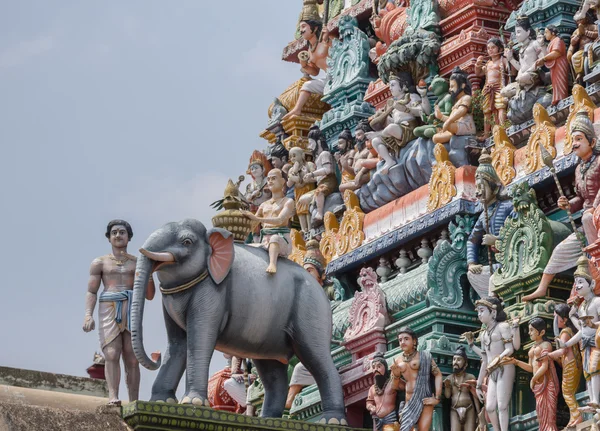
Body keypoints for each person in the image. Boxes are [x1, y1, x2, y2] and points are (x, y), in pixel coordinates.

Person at [523, 110, 600, 301]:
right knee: (561, 249)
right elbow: (581, 198)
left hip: (598, 215)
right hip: (587, 220)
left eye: (579, 139)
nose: (575, 143)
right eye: (573, 139)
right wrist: (568, 205)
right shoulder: (578, 169)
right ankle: (542, 288)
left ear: (591, 142)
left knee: (588, 217)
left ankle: (596, 262)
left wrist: (593, 207)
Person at [83, 220, 155, 405]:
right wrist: (88, 315)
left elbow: (150, 295)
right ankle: (113, 396)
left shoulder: (138, 263)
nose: (117, 235)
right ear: (108, 237)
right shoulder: (100, 263)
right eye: (114, 232)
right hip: (109, 307)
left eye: (122, 232)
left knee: (132, 356)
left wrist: (148, 273)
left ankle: (133, 400)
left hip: (132, 307)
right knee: (112, 353)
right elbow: (92, 291)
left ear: (128, 237)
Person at [464, 297, 518, 431]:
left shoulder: (503, 327)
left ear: (493, 312)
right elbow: (484, 358)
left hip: (504, 367)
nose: (479, 314)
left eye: (482, 311)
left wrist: (498, 359)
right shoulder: (483, 334)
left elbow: (510, 349)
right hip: (492, 370)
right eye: (478, 312)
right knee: (489, 407)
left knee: (502, 405)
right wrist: (478, 384)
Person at [466, 152, 514, 299]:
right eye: (476, 187)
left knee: (494, 279)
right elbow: (472, 240)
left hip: (515, 260)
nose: (478, 192)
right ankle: (491, 304)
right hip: (499, 264)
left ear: (494, 187)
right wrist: (472, 263)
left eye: (482, 187)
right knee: (474, 275)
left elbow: (520, 231)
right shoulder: (483, 216)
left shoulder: (508, 206)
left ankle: (494, 304)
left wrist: (497, 240)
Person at [561, 256, 600, 409]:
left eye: (580, 282)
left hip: (596, 342)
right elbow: (582, 330)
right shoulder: (582, 307)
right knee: (587, 373)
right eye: (576, 282)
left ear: (592, 284)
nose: (576, 286)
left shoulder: (597, 302)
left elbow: (593, 325)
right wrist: (567, 343)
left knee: (594, 369)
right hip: (585, 344)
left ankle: (596, 399)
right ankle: (592, 401)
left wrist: (593, 323)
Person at [509, 318, 559, 431]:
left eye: (532, 330)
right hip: (538, 384)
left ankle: (550, 428)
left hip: (547, 381)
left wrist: (533, 379)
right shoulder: (532, 348)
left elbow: (544, 366)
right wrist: (516, 362)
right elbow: (531, 368)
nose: (529, 332)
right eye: (529, 330)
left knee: (549, 410)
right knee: (540, 410)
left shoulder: (546, 345)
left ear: (541, 332)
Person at [242, 169, 295, 273]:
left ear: (283, 181)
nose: (270, 181)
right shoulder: (264, 205)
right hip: (264, 240)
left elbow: (280, 220)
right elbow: (253, 225)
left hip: (281, 239)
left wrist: (258, 219)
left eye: (274, 178)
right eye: (269, 179)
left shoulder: (288, 201)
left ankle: (272, 264)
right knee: (248, 248)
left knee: (274, 239)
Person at [390, 327, 442, 431]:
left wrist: (437, 398)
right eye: (400, 340)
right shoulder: (398, 361)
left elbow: (438, 375)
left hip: (424, 399)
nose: (402, 342)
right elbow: (394, 386)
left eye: (406, 339)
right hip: (409, 401)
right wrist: (395, 375)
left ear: (414, 341)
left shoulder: (424, 356)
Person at [283, 9, 331, 119]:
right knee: (307, 85)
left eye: (304, 26)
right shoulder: (310, 51)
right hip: (329, 79)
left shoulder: (325, 40)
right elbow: (315, 72)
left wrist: (327, 40)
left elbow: (338, 50)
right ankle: (297, 109)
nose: (301, 30)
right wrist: (304, 65)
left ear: (314, 28)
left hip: (340, 74)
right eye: (300, 28)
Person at [540, 303, 582, 428]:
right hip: (572, 363)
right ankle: (574, 416)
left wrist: (549, 355)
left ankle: (577, 415)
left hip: (570, 364)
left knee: (567, 392)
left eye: (556, 317)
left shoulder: (565, 332)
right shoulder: (568, 331)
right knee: (570, 391)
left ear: (564, 320)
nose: (555, 320)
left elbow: (563, 351)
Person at [298, 126, 337, 227]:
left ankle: (319, 213)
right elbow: (318, 177)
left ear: (318, 142)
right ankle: (316, 204)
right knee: (302, 199)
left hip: (329, 181)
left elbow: (328, 170)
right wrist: (309, 178)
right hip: (321, 182)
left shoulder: (325, 154)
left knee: (319, 192)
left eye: (311, 143)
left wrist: (312, 173)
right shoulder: (317, 158)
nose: (309, 146)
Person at [475, 38, 509, 139]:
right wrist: (478, 64)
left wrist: (509, 57)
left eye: (493, 47)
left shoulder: (502, 60)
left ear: (500, 49)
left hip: (499, 87)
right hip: (487, 89)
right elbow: (479, 73)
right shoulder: (488, 64)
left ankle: (503, 128)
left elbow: (511, 71)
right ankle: (486, 134)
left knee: (500, 107)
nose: (490, 50)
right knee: (487, 111)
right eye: (488, 48)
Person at [432, 67, 476, 144]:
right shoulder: (456, 102)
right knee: (435, 138)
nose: (450, 89)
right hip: (457, 126)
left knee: (447, 126)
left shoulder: (466, 97)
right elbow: (453, 119)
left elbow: (462, 111)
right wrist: (440, 116)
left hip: (466, 126)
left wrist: (448, 121)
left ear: (462, 86)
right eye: (449, 87)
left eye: (452, 86)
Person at [444, 346, 480, 431]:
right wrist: (447, 386)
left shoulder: (470, 377)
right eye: (454, 359)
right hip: (454, 409)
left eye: (459, 360)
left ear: (465, 364)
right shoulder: (450, 378)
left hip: (469, 408)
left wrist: (479, 413)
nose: (455, 362)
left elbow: (475, 396)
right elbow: (447, 396)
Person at [366, 353, 403, 431]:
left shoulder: (392, 383)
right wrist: (371, 407)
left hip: (390, 417)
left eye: (379, 367)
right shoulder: (372, 388)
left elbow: (407, 388)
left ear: (385, 369)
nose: (375, 369)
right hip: (377, 419)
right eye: (373, 367)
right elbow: (369, 402)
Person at [535, 25, 569, 105]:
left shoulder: (558, 40)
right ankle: (557, 98)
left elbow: (556, 53)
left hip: (560, 64)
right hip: (554, 66)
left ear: (553, 33)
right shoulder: (551, 43)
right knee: (555, 83)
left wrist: (543, 59)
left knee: (560, 81)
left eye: (546, 32)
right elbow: (547, 55)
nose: (545, 34)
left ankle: (562, 98)